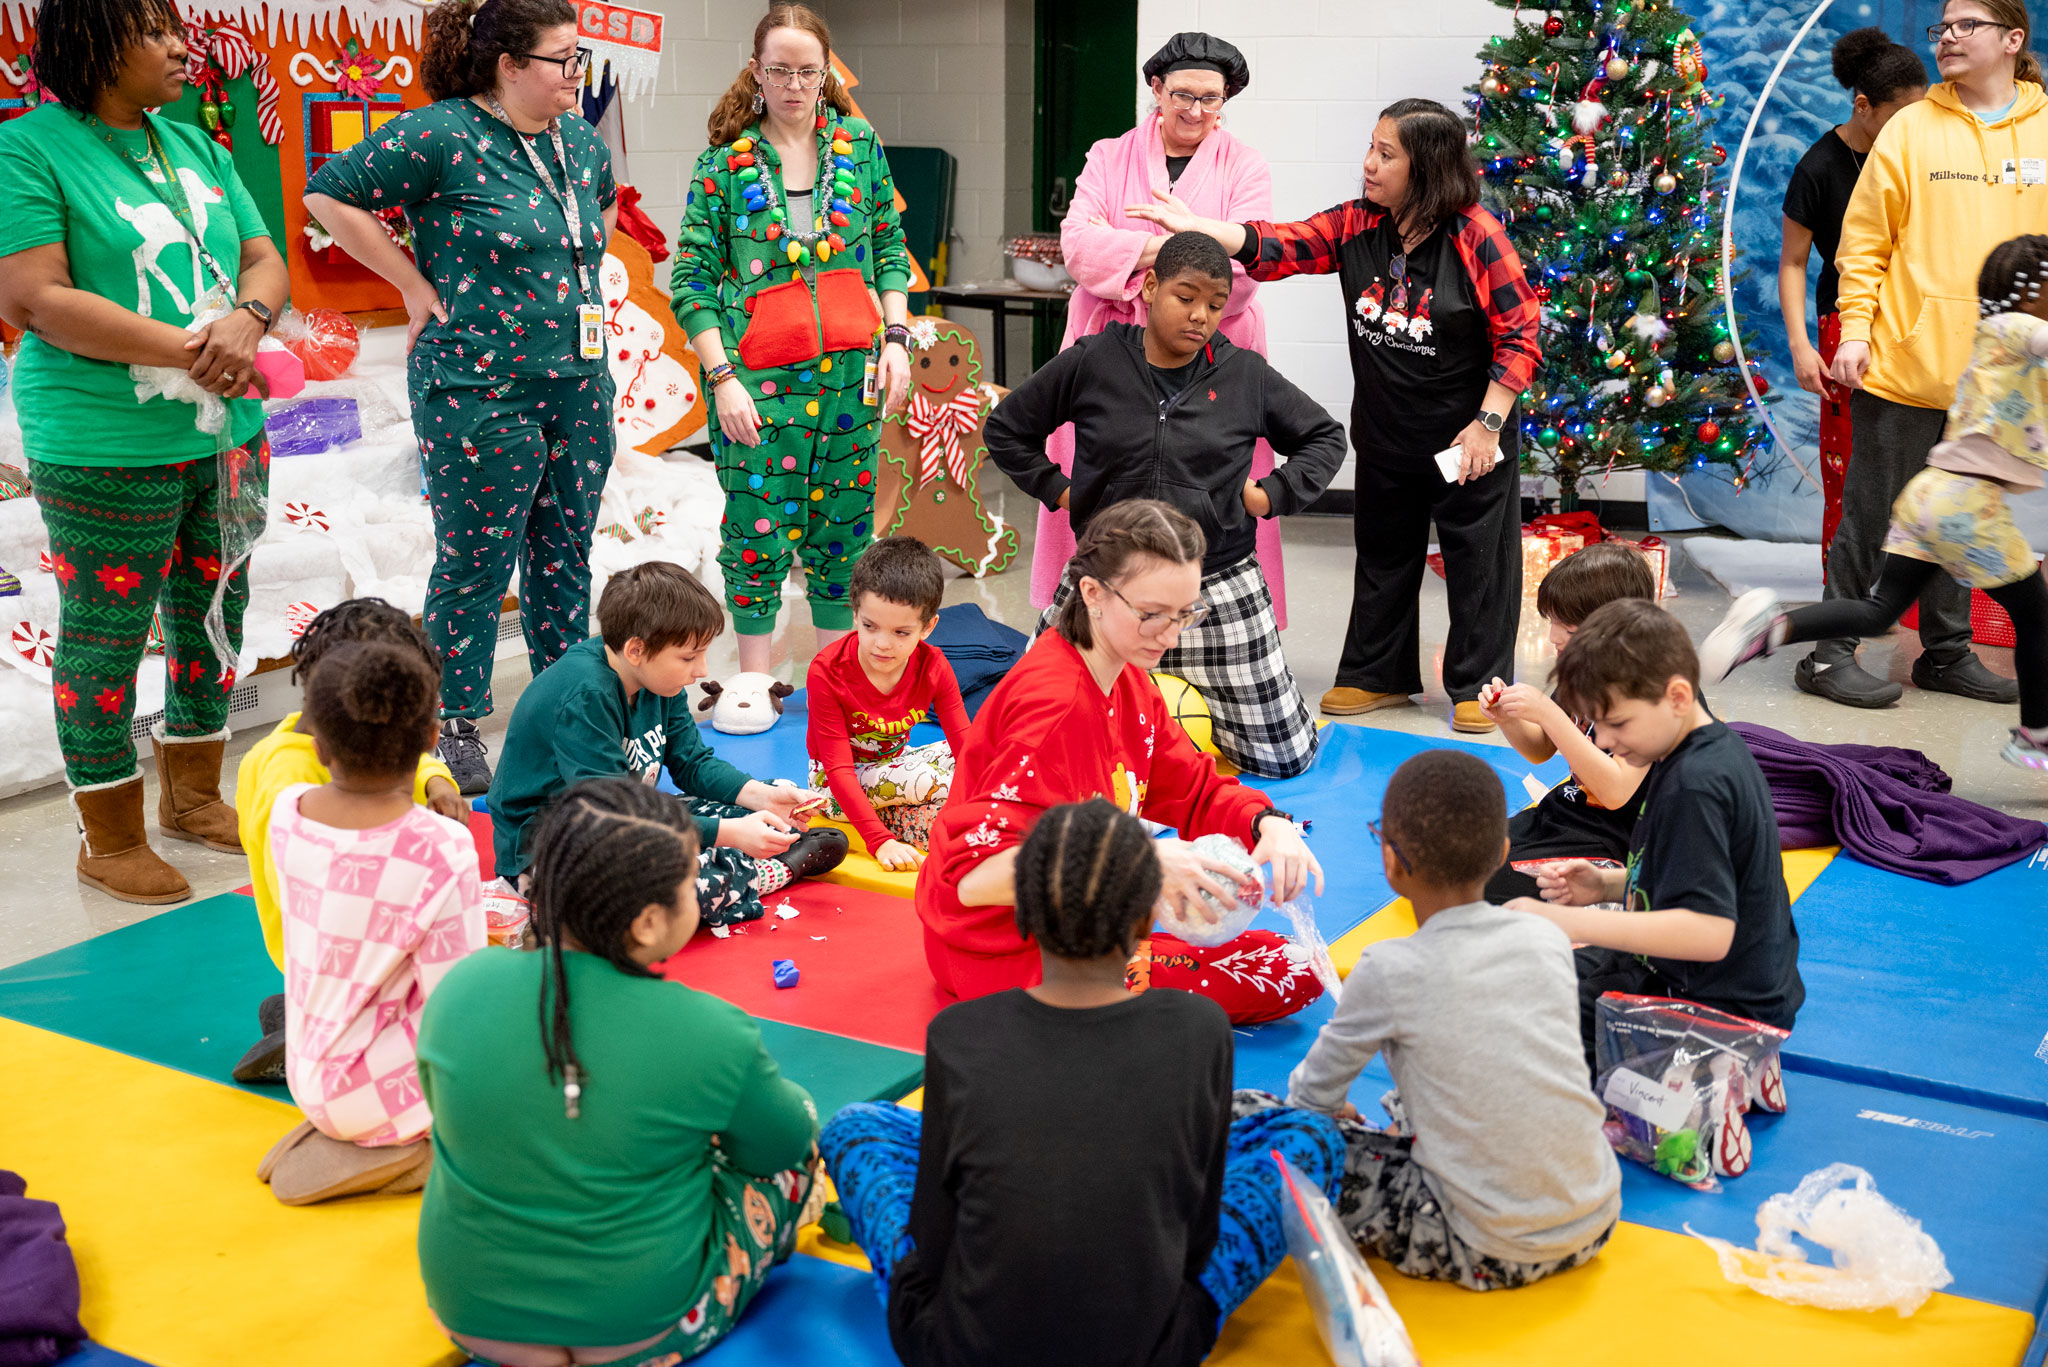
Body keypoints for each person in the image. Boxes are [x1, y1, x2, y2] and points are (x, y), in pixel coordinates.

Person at [821, 799, 1346, 1367]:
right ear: (1148, 920)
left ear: (1022, 916)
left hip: (961, 1349)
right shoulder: (1200, 1030)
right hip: (1153, 1347)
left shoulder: (959, 1034)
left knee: (858, 1126)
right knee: (1307, 1135)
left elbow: (933, 1235)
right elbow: (1195, 1239)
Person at [1132, 98, 1540, 736]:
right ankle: (1377, 675)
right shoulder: (1359, 223)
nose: (1369, 165)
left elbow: (1520, 333)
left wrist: (1488, 423)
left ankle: (1479, 686)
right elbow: (1282, 243)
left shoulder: (1476, 235)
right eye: (1371, 148)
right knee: (1383, 552)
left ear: (1427, 166)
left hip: (1468, 435)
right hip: (1386, 428)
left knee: (1478, 561)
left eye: (1386, 154)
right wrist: (1203, 229)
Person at [0, 0, 288, 904]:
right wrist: (197, 350)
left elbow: (264, 256)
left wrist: (247, 319)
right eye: (156, 32)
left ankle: (194, 793)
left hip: (225, 431)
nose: (181, 45)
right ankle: (109, 831)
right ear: (94, 45)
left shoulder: (194, 144)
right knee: (107, 635)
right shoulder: (29, 148)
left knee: (216, 609)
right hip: (105, 439)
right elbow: (36, 299)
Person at [305, 0, 619, 794]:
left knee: (566, 552)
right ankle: (454, 721)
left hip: (578, 381)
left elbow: (604, 207)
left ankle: (561, 702)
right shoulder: (443, 134)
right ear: (509, 66)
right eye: (564, 60)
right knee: (478, 562)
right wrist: (411, 283)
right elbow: (327, 193)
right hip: (479, 386)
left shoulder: (577, 139)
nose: (577, 76)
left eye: (580, 58)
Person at [417, 778, 821, 1367]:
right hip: (642, 1327)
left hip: (471, 1314)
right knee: (794, 1168)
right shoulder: (708, 1029)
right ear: (649, 924)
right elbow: (785, 1141)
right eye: (690, 882)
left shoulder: (461, 985)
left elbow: (448, 1117)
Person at [915, 500, 1324, 1025]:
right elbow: (974, 881)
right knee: (1283, 969)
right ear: (1092, 593)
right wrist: (1141, 867)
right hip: (1001, 953)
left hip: (1070, 925)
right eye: (1151, 614)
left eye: (1185, 614)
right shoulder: (1053, 709)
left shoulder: (1126, 676)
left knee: (1279, 953)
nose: (1171, 635)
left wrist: (1267, 823)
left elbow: (1191, 787)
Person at [985, 232, 1344, 779]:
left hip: (1217, 584)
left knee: (1285, 761)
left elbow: (1326, 437)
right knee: (1019, 745)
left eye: (1215, 305)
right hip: (1106, 584)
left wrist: (1270, 494)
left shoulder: (1244, 374)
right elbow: (1007, 428)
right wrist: (1061, 491)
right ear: (1150, 287)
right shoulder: (1095, 358)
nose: (1201, 315)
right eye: (1186, 296)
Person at [1704, 234, 2048, 773]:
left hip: (1932, 494)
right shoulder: (2019, 330)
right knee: (2037, 617)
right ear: (2032, 292)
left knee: (1879, 609)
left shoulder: (1997, 339)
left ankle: (1773, 627)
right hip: (1969, 504)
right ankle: (2038, 736)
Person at [1289, 751, 1619, 1290]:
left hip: (1483, 1244)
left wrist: (1332, 1115)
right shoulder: (1545, 938)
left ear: (1389, 860)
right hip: (1596, 1213)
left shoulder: (1387, 968)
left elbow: (1311, 1098)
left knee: (1267, 1128)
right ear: (1505, 855)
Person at [1819, 0, 2048, 709]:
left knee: (1965, 513)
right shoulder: (1911, 127)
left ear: (2012, 39)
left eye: (1965, 25)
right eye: (1942, 26)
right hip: (1904, 364)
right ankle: (1828, 655)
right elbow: (1863, 244)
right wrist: (1855, 331)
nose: (1947, 36)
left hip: (1999, 380)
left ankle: (1945, 654)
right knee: (1870, 515)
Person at [672, 3, 915, 670]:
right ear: (756, 71)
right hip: (758, 387)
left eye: (808, 71)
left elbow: (890, 248)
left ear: (824, 74)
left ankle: (838, 683)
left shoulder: (859, 150)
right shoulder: (723, 164)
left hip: (850, 383)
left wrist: (896, 337)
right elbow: (690, 278)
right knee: (756, 533)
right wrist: (721, 379)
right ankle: (753, 683)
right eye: (778, 69)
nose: (793, 84)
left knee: (844, 536)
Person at [1036, 32, 1294, 628]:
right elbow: (1077, 246)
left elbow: (1246, 269)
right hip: (1112, 340)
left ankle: (1214, 617)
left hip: (1212, 344)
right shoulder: (1108, 155)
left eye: (1212, 98)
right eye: (1182, 94)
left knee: (1211, 474)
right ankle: (1087, 613)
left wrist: (1137, 259)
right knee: (1104, 471)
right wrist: (1174, 249)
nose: (1196, 111)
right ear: (1155, 88)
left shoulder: (1246, 165)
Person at [1508, 600, 1804, 1075]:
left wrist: (1569, 924)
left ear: (1679, 698)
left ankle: (1719, 1077)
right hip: (1702, 981)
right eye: (1597, 724)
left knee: (1514, 1023)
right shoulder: (1690, 748)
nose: (1602, 741)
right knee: (1524, 974)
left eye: (1616, 723)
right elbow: (1688, 873)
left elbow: (1709, 934)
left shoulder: (1696, 785)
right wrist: (1606, 887)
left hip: (1716, 1012)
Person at [489, 562, 845, 932]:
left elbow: (691, 762)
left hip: (629, 817)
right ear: (636, 650)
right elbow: (615, 817)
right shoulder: (586, 697)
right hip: (556, 845)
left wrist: (760, 797)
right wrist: (728, 833)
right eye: (689, 657)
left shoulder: (659, 679)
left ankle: (740, 855)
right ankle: (773, 870)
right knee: (660, 899)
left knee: (757, 804)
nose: (702, 670)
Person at [255, 640, 484, 1207]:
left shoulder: (289, 812)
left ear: (319, 743)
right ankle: (415, 1149)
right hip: (380, 1092)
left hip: (308, 1073)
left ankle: (342, 1129)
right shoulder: (442, 848)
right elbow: (458, 1002)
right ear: (434, 740)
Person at [230, 599, 470, 1085]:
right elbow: (304, 889)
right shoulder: (284, 773)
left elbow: (400, 752)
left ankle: (302, 1009)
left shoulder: (337, 736)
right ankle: (311, 1027)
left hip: (331, 945)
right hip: (330, 934)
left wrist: (436, 780)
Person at [1779, 29, 1927, 583]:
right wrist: (1801, 347)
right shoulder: (1819, 168)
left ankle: (1908, 590)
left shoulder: (1918, 154)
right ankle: (1847, 597)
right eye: (1900, 115)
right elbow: (1793, 263)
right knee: (1852, 467)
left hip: (1917, 322)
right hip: (1846, 325)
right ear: (1864, 107)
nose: (1914, 126)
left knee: (1921, 466)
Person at [1476, 543, 1656, 903]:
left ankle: (1607, 893)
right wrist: (1507, 718)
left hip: (1620, 837)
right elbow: (1541, 748)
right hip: (1564, 814)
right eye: (1552, 622)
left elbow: (1617, 792)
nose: (1553, 638)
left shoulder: (1651, 690)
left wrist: (1546, 711)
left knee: (1483, 885)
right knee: (1455, 855)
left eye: (1568, 629)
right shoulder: (1585, 668)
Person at [805, 537, 969, 870]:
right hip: (832, 786)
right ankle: (910, 823)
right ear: (855, 613)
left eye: (901, 633)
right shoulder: (827, 671)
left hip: (894, 765)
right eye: (870, 626)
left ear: (928, 627)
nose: (882, 644)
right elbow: (837, 770)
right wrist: (879, 841)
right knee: (930, 779)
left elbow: (966, 743)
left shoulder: (934, 666)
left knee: (984, 753)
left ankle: (929, 819)